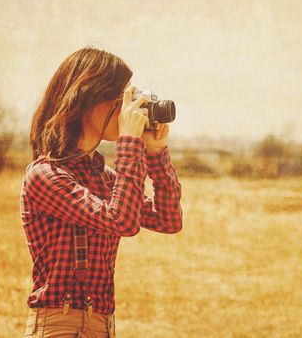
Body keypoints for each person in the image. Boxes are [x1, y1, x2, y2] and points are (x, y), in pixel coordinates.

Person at [19, 46, 183, 337]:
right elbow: (122, 221)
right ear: (86, 100)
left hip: (102, 325)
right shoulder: (45, 175)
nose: (125, 111)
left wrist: (156, 153)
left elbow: (169, 220)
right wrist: (130, 143)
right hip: (58, 325)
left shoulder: (103, 178)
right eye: (119, 100)